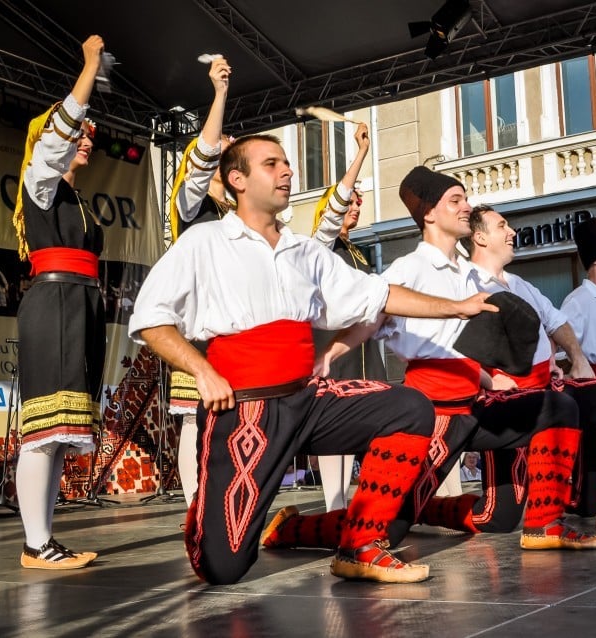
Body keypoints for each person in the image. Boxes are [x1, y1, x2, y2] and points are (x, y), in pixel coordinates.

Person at [128, 134, 496, 585]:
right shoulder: (204, 242)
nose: (287, 171)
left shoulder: (307, 252)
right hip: (246, 409)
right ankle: (215, 514)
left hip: (308, 398)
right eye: (272, 164)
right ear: (237, 179)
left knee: (409, 408)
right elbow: (151, 319)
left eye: (287, 162)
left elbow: (377, 295)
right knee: (222, 567)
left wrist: (456, 307)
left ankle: (360, 544)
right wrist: (202, 371)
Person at [262, 166, 596, 554]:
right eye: (456, 200)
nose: (466, 207)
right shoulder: (410, 268)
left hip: (475, 406)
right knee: (389, 529)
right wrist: (330, 354)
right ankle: (289, 530)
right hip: (432, 416)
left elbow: (462, 343)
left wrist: (493, 379)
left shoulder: (470, 274)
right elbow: (371, 319)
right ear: (429, 214)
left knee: (557, 410)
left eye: (466, 200)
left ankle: (545, 525)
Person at [464, 205, 596, 529]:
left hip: (545, 387)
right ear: (479, 236)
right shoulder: (463, 282)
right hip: (503, 395)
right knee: (498, 517)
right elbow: (447, 344)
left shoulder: (521, 284)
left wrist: (575, 358)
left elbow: (556, 323)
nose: (513, 232)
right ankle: (432, 510)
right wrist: (489, 381)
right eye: (503, 225)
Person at [11, 35, 106, 570]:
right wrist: (90, 67)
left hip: (78, 306)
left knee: (60, 433)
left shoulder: (75, 201)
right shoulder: (41, 183)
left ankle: (42, 540)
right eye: (77, 132)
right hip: (53, 307)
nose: (84, 138)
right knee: (43, 431)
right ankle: (34, 542)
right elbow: (53, 139)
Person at [310, 121, 389, 511]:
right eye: (351, 202)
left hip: (365, 352)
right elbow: (334, 208)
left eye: (360, 202)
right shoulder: (320, 248)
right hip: (334, 352)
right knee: (335, 427)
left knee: (369, 426)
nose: (356, 206)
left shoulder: (358, 254)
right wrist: (360, 154)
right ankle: (334, 507)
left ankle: (364, 505)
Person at [165, 55, 232, 507]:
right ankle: (194, 502)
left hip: (227, 321)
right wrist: (219, 94)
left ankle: (220, 494)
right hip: (198, 321)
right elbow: (204, 159)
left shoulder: (230, 213)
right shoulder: (192, 201)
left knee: (222, 414)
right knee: (193, 414)